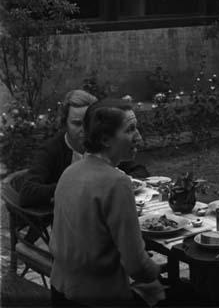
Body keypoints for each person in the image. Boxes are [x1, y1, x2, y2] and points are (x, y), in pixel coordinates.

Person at [50, 98, 163, 307]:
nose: (138, 137)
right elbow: (137, 265)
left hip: (59, 290)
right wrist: (157, 271)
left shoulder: (69, 172)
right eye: (130, 130)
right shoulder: (117, 182)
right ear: (105, 139)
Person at [19, 89, 149, 208]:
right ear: (65, 123)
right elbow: (27, 192)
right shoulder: (51, 150)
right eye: (77, 123)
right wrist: (78, 187)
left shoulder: (105, 148)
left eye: (89, 124)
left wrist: (122, 184)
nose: (85, 130)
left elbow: (139, 170)